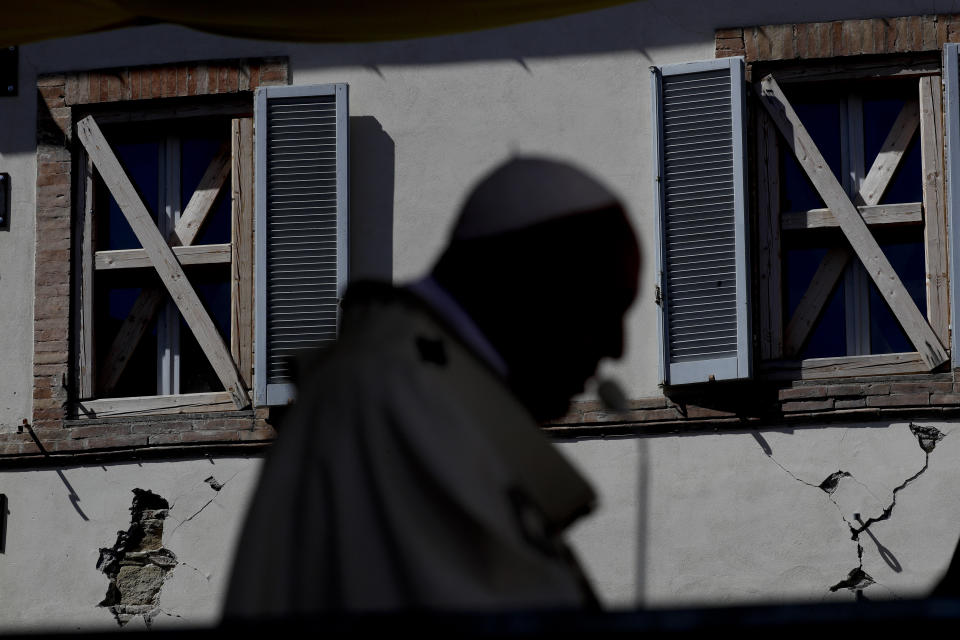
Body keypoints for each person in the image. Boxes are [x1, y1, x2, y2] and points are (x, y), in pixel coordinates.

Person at [223, 157, 640, 615]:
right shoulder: (398, 396)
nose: (616, 348)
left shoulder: (420, 387)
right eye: (605, 306)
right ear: (528, 282)